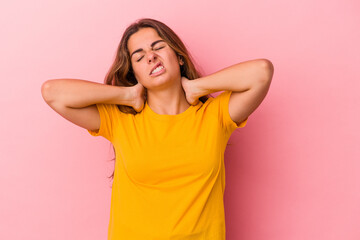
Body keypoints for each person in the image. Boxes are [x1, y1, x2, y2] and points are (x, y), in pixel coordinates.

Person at [41, 18, 273, 240]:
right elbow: (53, 92)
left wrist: (197, 87)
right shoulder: (121, 120)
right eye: (139, 57)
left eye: (158, 47)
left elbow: (261, 72)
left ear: (179, 57)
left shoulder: (215, 115)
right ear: (134, 73)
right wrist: (126, 95)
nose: (151, 57)